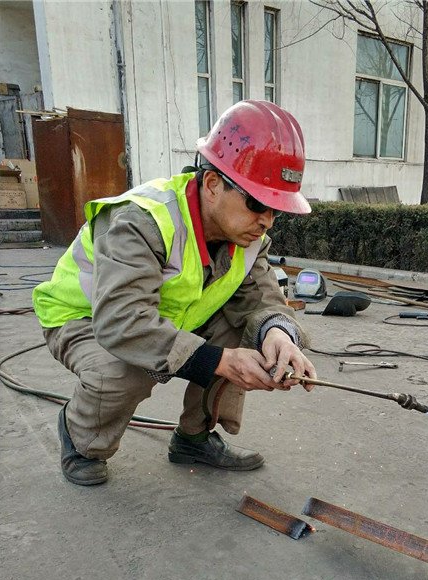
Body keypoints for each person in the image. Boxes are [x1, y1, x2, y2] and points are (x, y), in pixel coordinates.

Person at [32, 100, 317, 486]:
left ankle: (193, 439)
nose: (266, 221)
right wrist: (220, 361)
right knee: (126, 369)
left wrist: (278, 334)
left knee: (249, 334)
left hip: (161, 318)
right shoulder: (142, 221)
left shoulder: (248, 237)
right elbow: (122, 322)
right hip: (86, 318)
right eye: (257, 204)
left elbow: (261, 298)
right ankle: (82, 439)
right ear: (213, 184)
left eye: (275, 209)